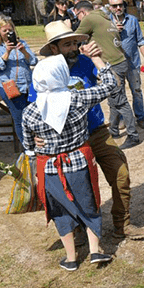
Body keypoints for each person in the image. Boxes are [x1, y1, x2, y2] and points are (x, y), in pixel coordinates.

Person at [32, 21, 144, 240]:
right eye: (67, 45)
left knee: (120, 173)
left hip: (96, 131)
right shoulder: (45, 71)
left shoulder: (85, 62)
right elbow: (34, 107)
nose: (74, 48)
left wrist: (97, 58)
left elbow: (113, 84)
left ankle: (122, 224)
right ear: (54, 48)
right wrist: (35, 135)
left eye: (75, 43)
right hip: (67, 141)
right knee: (75, 186)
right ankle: (78, 229)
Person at [22, 54, 115, 271]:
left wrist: (37, 142)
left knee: (60, 211)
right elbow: (110, 85)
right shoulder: (78, 98)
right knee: (89, 204)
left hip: (49, 169)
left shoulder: (29, 112)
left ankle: (71, 258)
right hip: (79, 162)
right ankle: (95, 251)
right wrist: (98, 61)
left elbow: (28, 146)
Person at [74, 0, 141, 149]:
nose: (78, 19)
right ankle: (114, 130)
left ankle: (133, 135)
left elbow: (73, 38)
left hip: (113, 64)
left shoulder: (89, 19)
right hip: (120, 61)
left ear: (82, 12)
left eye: (77, 16)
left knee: (120, 101)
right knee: (113, 99)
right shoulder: (104, 17)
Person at [0, 15, 37, 144]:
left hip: (28, 85)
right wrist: (7, 52)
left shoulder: (22, 42)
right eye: (5, 31)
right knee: (20, 119)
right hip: (10, 86)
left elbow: (34, 61)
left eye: (10, 30)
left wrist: (24, 51)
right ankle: (27, 148)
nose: (8, 33)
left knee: (35, 117)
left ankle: (37, 145)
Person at [108, 0, 144, 130]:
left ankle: (141, 117)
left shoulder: (132, 20)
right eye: (115, 6)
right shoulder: (106, 22)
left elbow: (141, 41)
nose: (118, 8)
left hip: (132, 64)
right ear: (110, 8)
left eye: (120, 5)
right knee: (119, 93)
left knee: (137, 91)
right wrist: (113, 31)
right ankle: (122, 119)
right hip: (115, 65)